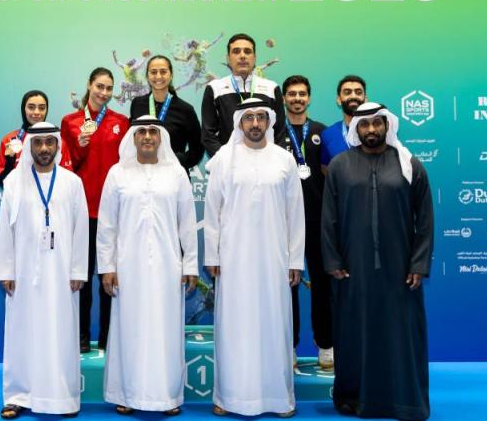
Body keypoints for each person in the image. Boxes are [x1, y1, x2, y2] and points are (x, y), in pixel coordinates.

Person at [321, 102, 433, 420]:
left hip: (400, 270)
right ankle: (355, 399)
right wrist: (332, 260)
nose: (371, 129)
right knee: (355, 333)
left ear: (387, 126)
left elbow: (425, 219)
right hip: (352, 268)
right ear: (356, 129)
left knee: (401, 335)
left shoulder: (409, 164)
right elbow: (328, 218)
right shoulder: (340, 166)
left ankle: (404, 401)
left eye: (377, 123)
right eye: (365, 124)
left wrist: (419, 264)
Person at [204, 98, 304, 417]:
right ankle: (229, 397)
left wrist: (295, 260)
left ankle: (277, 398)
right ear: (239, 123)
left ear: (269, 121)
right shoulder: (224, 159)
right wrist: (212, 254)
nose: (255, 123)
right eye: (249, 118)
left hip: (274, 258)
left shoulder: (283, 160)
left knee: (274, 323)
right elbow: (213, 211)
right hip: (233, 258)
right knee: (234, 324)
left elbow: (295, 213)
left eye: (261, 117)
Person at [96, 115, 199, 416]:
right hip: (127, 267)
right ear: (133, 138)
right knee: (129, 329)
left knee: (166, 330)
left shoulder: (176, 173)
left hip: (168, 266)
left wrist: (190, 266)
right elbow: (107, 225)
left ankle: (167, 396)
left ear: (161, 137)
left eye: (153, 131)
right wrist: (107, 267)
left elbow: (187, 223)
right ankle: (126, 394)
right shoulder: (118, 173)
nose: (147, 137)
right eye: (141, 132)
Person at [0, 122, 89, 419]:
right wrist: (6, 270)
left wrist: (78, 271)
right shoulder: (14, 182)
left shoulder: (72, 182)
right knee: (21, 331)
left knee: (60, 332)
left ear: (58, 145)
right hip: (23, 272)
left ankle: (62, 397)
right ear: (30, 146)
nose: (44, 148)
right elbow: (4, 228)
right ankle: (17, 395)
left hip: (62, 273)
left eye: (50, 142)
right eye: (38, 143)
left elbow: (81, 229)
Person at [60, 68, 130, 353]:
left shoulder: (121, 122)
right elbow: (66, 166)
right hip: (83, 211)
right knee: (83, 277)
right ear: (89, 85)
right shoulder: (70, 122)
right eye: (99, 86)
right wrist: (79, 147)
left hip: (113, 212)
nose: (103, 92)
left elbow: (126, 167)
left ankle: (108, 337)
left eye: (109, 88)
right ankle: (80, 337)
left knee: (110, 277)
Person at [275, 75, 333, 370]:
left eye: (302, 94)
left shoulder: (323, 132)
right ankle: (289, 346)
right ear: (284, 98)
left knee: (323, 284)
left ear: (309, 98)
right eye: (292, 94)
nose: (297, 99)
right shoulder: (273, 132)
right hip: (284, 223)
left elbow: (333, 176)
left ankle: (326, 345)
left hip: (319, 221)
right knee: (288, 285)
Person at [200, 33, 286, 157]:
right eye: (236, 51)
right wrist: (227, 162)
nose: (242, 56)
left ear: (254, 58)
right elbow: (208, 135)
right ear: (228, 58)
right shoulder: (215, 88)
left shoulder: (271, 88)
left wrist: (272, 162)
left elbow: (279, 134)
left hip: (265, 164)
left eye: (247, 51)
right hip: (229, 166)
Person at [130, 55, 204, 175]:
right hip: (142, 174)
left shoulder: (185, 110)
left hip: (174, 176)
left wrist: (178, 161)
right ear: (147, 76)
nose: (158, 76)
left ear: (171, 75)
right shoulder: (137, 104)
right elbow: (131, 140)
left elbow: (198, 149)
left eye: (163, 72)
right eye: (153, 72)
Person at [0, 90, 49, 187]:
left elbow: (66, 180)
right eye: (31, 107)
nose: (37, 112)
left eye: (41, 108)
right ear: (23, 109)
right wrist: (9, 164)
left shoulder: (57, 141)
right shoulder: (9, 140)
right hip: (18, 196)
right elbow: (2, 183)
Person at [320, 75, 367, 173]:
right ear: (338, 100)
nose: (353, 96)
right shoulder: (328, 134)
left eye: (358, 92)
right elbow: (325, 168)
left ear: (365, 99)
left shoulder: (376, 132)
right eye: (347, 92)